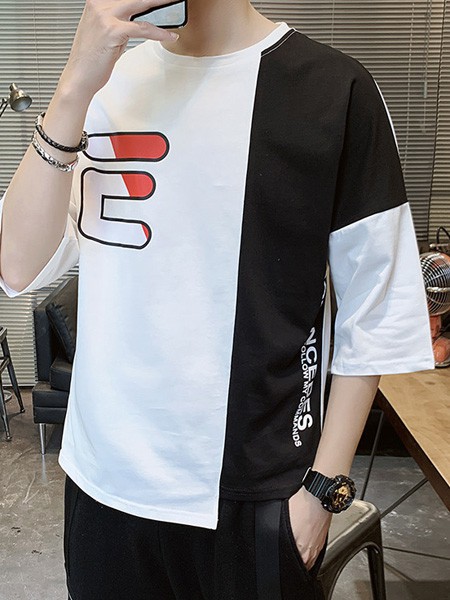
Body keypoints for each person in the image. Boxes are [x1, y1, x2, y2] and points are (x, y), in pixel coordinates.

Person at [0, 1, 435, 599]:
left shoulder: (335, 90)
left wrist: (322, 492)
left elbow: (375, 314)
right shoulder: (107, 82)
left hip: (257, 496)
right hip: (103, 489)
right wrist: (74, 85)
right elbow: (17, 265)